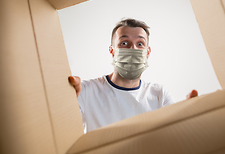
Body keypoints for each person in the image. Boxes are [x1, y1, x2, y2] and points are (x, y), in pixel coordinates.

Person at [69, 18, 198, 132]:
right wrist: (67, 100)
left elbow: (175, 131)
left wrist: (189, 118)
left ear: (147, 53)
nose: (133, 49)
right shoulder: (85, 91)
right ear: (112, 51)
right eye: (124, 43)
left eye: (140, 44)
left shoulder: (160, 95)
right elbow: (61, 128)